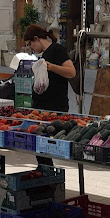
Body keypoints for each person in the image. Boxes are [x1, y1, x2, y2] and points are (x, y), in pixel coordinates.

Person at [23, 25, 76, 167]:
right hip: (43, 108)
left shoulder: (57, 50)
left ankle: (50, 177)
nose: (31, 48)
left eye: (30, 44)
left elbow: (71, 72)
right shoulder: (44, 54)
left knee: (46, 146)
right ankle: (46, 174)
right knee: (41, 149)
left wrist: (51, 66)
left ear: (36, 38)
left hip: (55, 107)